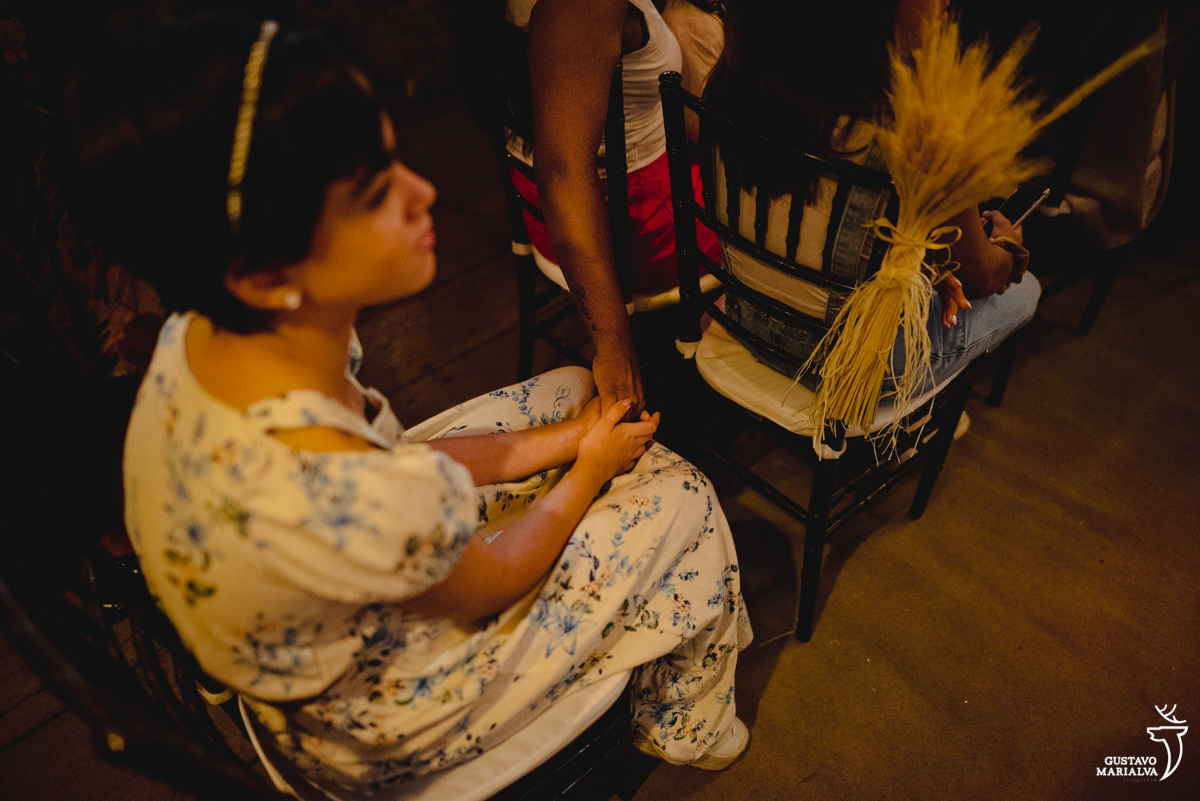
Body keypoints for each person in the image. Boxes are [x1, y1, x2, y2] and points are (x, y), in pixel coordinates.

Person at [67, 12, 752, 797]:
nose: (422, 191)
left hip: (316, 613)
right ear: (263, 273)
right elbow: (486, 578)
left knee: (573, 392)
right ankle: (688, 724)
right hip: (376, 723)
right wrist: (585, 472)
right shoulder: (338, 482)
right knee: (686, 501)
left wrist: (564, 440)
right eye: (375, 192)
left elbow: (391, 463)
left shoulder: (210, 331)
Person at [703, 0, 1040, 391]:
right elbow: (980, 278)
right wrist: (1007, 248)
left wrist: (926, 265)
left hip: (741, 318)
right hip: (849, 366)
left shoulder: (734, 83)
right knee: (1028, 290)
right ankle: (914, 422)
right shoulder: (918, 129)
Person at [504, 0, 721, 417]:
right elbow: (564, 171)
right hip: (628, 231)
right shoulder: (583, 7)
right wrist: (613, 346)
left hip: (539, 211)